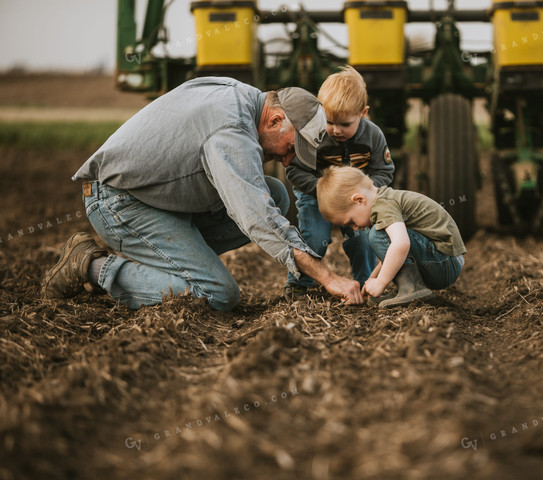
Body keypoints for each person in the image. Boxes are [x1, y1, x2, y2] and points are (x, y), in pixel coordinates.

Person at [41, 76, 364, 310]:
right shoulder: (231, 131)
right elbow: (256, 217)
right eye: (292, 147)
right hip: (119, 203)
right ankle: (90, 267)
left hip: (156, 197)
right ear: (276, 119)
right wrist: (328, 278)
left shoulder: (237, 92)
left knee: (276, 192)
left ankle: (168, 264)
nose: (288, 159)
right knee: (218, 294)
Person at [283, 66, 394, 299]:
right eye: (330, 121)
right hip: (316, 196)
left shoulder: (373, 136)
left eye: (345, 124)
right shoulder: (313, 136)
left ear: (362, 113)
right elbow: (295, 171)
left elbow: (384, 171)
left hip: (357, 201)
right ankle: (298, 284)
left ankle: (365, 283)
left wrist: (365, 191)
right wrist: (323, 189)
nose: (336, 130)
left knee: (363, 239)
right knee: (314, 239)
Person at [316, 166, 466, 308]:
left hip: (444, 263)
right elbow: (392, 255)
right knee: (378, 234)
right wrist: (372, 279)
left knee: (376, 233)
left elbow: (401, 245)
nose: (355, 228)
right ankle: (406, 287)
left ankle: (412, 288)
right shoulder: (385, 200)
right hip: (444, 261)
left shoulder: (383, 206)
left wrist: (381, 282)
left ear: (359, 200)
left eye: (351, 221)